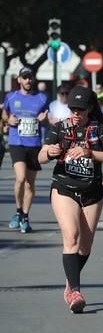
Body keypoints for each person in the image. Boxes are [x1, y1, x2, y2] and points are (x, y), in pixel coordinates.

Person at [38, 86, 103, 313]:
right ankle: (75, 291)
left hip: (92, 192)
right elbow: (41, 157)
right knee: (71, 237)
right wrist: (50, 152)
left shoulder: (100, 129)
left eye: (80, 109)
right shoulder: (59, 128)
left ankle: (70, 279)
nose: (76, 113)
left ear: (90, 108)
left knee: (85, 246)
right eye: (72, 108)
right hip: (64, 187)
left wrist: (90, 153)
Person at [2, 67, 49, 233]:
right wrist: (8, 120)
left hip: (34, 144)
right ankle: (17, 211)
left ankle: (25, 216)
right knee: (20, 178)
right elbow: (4, 113)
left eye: (30, 77)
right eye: (25, 77)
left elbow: (47, 118)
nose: (28, 80)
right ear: (19, 80)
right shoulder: (11, 97)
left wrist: (44, 120)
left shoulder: (42, 98)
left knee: (30, 184)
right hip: (17, 142)